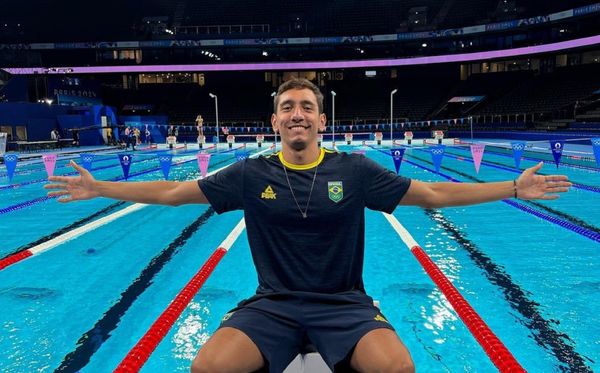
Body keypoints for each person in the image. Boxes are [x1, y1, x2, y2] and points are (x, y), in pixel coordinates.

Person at [44, 78, 571, 373]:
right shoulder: (251, 173)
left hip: (345, 303)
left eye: (307, 107)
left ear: (322, 121)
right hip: (272, 303)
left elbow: (433, 192)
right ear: (275, 122)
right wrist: (100, 188)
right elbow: (172, 193)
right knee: (206, 368)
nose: (297, 114)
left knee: (399, 368)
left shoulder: (355, 170)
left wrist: (513, 188)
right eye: (287, 107)